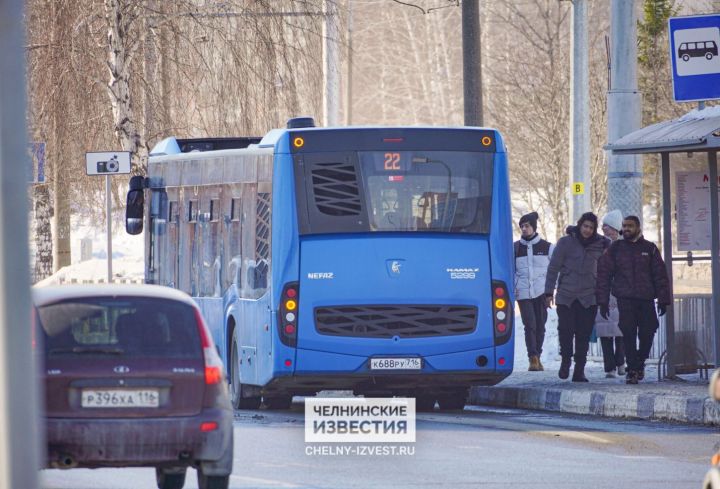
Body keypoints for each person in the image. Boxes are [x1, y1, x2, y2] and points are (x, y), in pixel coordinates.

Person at [596, 215, 671, 384]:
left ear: (638, 227)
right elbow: (604, 274)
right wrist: (602, 301)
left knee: (648, 332)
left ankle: (639, 362)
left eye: (630, 225)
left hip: (646, 299)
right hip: (625, 299)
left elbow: (660, 275)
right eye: (624, 225)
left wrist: (663, 299)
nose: (627, 228)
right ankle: (632, 370)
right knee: (628, 334)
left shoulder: (650, 248)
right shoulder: (616, 248)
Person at [545, 212, 609, 382]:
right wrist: (548, 292)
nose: (587, 230)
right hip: (566, 295)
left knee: (583, 334)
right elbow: (553, 268)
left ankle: (579, 370)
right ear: (580, 225)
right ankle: (566, 361)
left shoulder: (600, 245)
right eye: (585, 226)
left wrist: (603, 298)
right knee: (566, 331)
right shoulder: (566, 242)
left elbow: (604, 272)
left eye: (591, 227)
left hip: (589, 297)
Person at [514, 211, 554, 372]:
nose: (524, 229)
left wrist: (551, 290)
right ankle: (533, 357)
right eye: (522, 226)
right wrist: (513, 287)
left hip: (541, 292)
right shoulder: (515, 248)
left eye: (527, 226)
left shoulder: (547, 247)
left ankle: (538, 354)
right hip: (523, 293)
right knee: (529, 325)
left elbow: (554, 270)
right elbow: (510, 270)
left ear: (534, 227)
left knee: (541, 326)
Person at [595, 210, 626, 378]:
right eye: (603, 226)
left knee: (621, 331)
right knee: (605, 331)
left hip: (620, 293)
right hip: (604, 292)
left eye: (607, 226)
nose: (604, 229)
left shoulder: (625, 246)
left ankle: (621, 362)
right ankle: (610, 367)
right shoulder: (600, 246)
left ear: (614, 228)